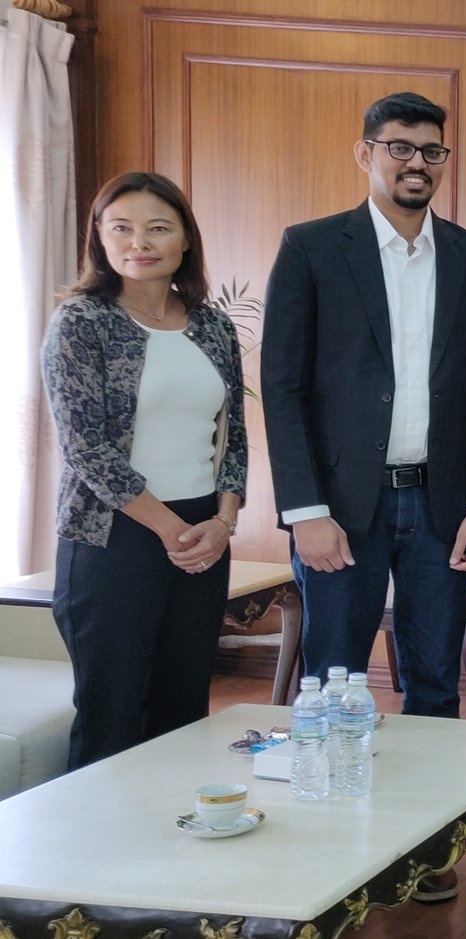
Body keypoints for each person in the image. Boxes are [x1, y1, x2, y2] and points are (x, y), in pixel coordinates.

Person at [262, 91, 466, 901]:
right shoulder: (310, 249)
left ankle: (428, 845)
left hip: (442, 508)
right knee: (335, 676)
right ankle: (338, 847)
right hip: (341, 511)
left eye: (431, 151)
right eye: (399, 147)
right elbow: (283, 386)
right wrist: (305, 512)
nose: (415, 162)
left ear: (444, 161)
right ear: (365, 152)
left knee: (434, 681)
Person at [42, 172, 247, 770]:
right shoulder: (81, 323)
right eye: (122, 228)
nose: (140, 241)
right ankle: (96, 861)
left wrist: (223, 522)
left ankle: (178, 853)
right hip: (114, 536)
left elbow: (230, 435)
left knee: (183, 708)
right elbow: (86, 448)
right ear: (100, 240)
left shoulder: (211, 324)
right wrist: (169, 529)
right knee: (112, 710)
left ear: (185, 239)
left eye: (159, 228)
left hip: (203, 534)